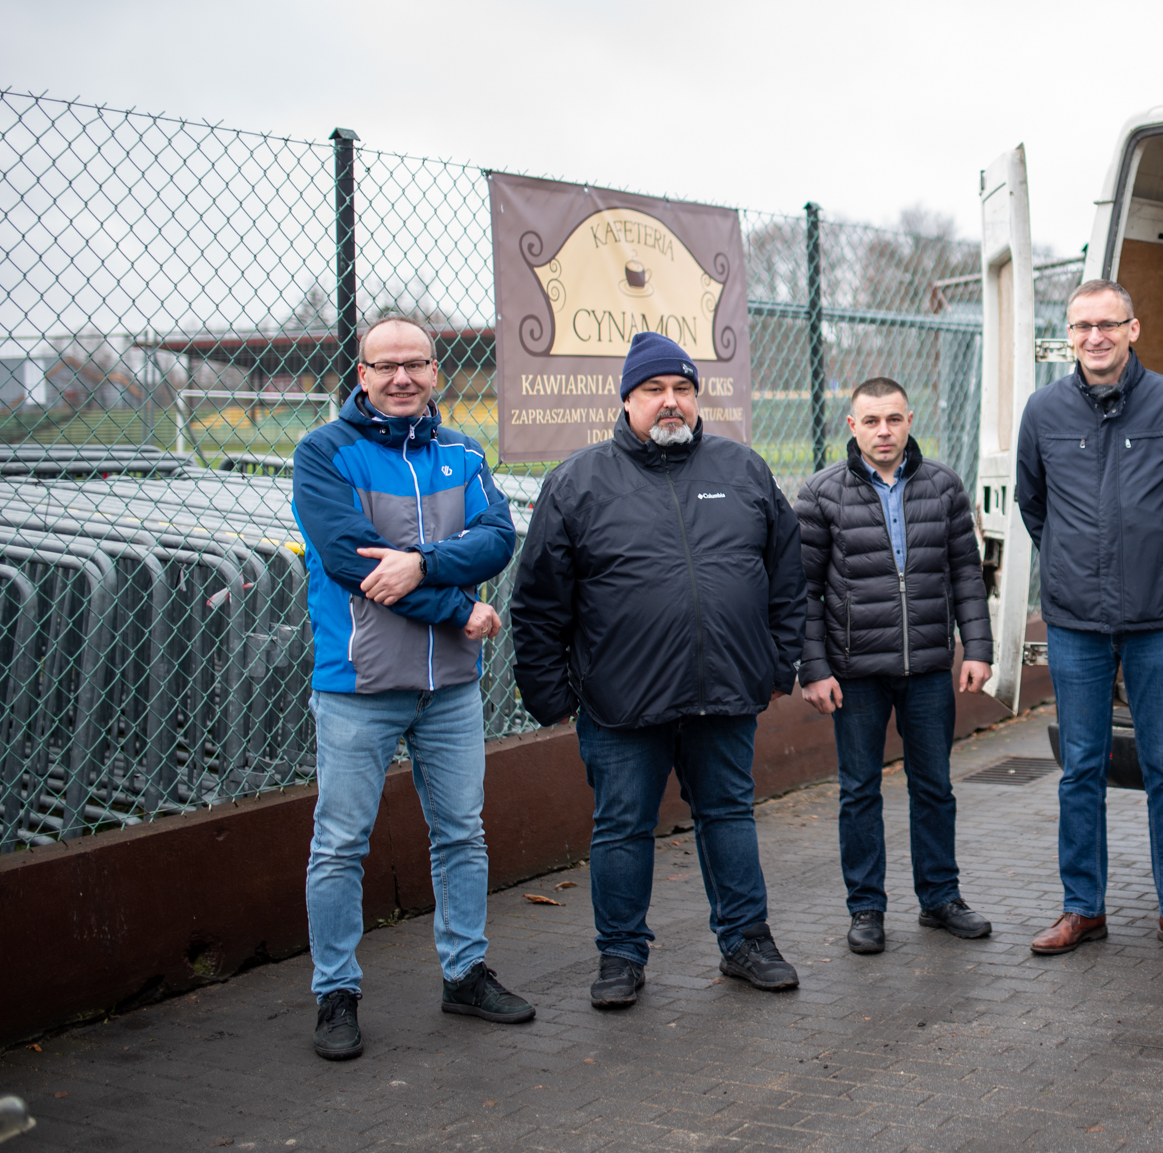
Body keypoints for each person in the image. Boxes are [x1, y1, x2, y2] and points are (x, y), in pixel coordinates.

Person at [511, 330, 806, 1005]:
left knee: (728, 815)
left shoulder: (744, 470)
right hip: (621, 700)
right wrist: (551, 694)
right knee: (621, 826)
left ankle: (746, 939)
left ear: (697, 397)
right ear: (627, 399)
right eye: (653, 390)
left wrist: (775, 663)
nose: (670, 402)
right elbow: (538, 602)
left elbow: (787, 576)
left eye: (682, 389)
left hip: (726, 692)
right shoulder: (577, 483)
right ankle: (620, 955)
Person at [292, 316, 531, 1062]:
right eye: (384, 364)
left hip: (451, 687)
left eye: (415, 364)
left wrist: (424, 566)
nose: (401, 377)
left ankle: (464, 973)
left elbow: (499, 536)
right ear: (360, 373)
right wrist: (460, 604)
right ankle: (336, 992)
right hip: (359, 685)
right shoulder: (324, 453)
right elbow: (352, 563)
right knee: (340, 843)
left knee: (463, 831)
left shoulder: (462, 450)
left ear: (436, 370)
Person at [1015, 279, 1163, 960]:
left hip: (1158, 621)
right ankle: (1084, 907)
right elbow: (1033, 504)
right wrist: (1076, 565)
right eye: (1082, 326)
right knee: (1082, 767)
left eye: (1108, 324)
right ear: (1068, 336)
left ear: (1134, 328)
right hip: (1076, 622)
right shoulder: (1043, 411)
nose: (1095, 337)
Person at [795, 376, 996, 955]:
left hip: (930, 667)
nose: (884, 431)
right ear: (852, 426)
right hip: (853, 672)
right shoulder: (821, 494)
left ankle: (940, 898)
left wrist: (976, 649)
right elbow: (804, 591)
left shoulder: (943, 487)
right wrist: (813, 667)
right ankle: (866, 909)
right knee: (859, 791)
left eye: (894, 420)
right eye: (871, 421)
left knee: (934, 785)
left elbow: (966, 573)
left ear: (910, 421)